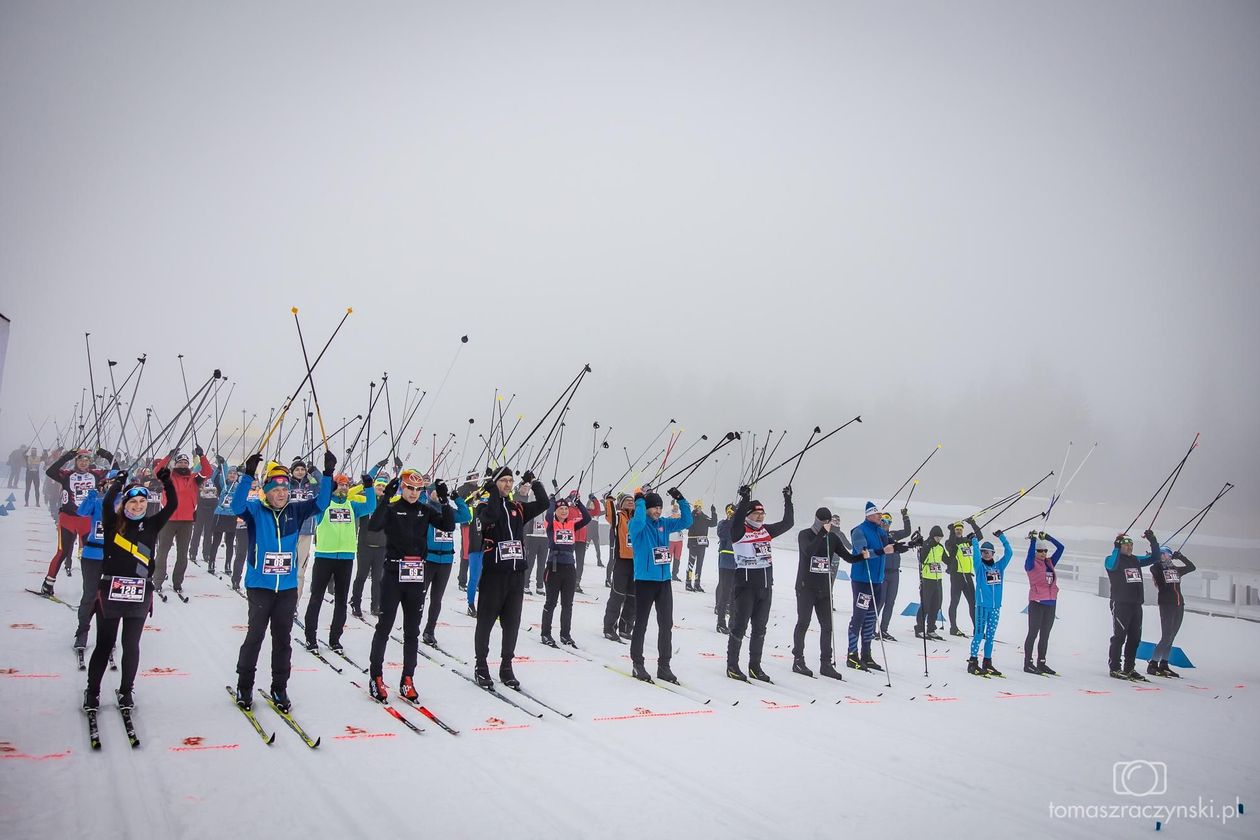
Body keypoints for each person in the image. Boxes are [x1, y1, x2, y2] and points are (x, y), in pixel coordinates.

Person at [231, 451, 334, 712]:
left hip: (286, 588)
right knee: (255, 636)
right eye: (276, 489)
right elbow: (235, 507)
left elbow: (321, 504)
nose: (281, 493)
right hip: (260, 586)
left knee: (283, 640)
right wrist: (247, 476)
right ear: (266, 491)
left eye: (285, 489)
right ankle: (245, 685)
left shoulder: (295, 512)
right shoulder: (256, 510)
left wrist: (328, 475)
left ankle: (280, 687)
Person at [83, 466, 178, 712]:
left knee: (131, 644)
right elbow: (106, 504)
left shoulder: (153, 524)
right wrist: (118, 482)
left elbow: (173, 505)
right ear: (124, 503)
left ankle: (126, 691)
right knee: (105, 644)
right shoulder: (113, 522)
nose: (137, 506)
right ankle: (92, 691)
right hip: (110, 592)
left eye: (142, 502)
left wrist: (166, 481)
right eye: (133, 502)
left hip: (139, 593)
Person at [365, 470, 455, 702]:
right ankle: (375, 676)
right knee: (384, 626)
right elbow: (373, 526)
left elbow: (448, 526)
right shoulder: (393, 508)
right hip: (394, 574)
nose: (414, 493)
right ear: (402, 488)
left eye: (418, 490)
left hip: (416, 577)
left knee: (412, 631)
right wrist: (386, 497)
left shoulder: (425, 511)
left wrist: (444, 501)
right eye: (409, 488)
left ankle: (408, 678)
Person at [474, 467, 548, 689]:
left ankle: (506, 665)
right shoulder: (484, 506)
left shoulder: (518, 507)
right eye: (503, 481)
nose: (507, 484)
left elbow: (544, 504)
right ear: (495, 483)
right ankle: (481, 665)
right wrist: (493, 493)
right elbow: (492, 516)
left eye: (510, 481)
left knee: (512, 623)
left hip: (515, 574)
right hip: (494, 574)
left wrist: (533, 482)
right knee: (486, 622)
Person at [726, 485, 793, 682]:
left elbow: (788, 523)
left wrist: (787, 499)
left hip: (765, 588)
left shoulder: (766, 531)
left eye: (762, 514)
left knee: (760, 629)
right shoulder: (739, 531)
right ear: (748, 515)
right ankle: (732, 665)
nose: (760, 517)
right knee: (740, 627)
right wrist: (745, 498)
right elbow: (737, 519)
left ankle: (755, 666)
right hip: (745, 588)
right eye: (756, 514)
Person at [304, 471, 377, 652]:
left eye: (346, 484)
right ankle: (310, 638)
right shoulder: (324, 504)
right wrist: (328, 485)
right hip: (324, 556)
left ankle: (335, 639)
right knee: (316, 598)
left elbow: (370, 506)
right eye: (340, 484)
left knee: (341, 600)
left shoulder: (352, 505)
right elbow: (320, 499)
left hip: (345, 557)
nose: (344, 487)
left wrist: (368, 487)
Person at [793, 506, 867, 679]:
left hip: (824, 589)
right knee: (803, 622)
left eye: (828, 522)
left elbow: (847, 557)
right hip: (806, 587)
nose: (826, 524)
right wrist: (821, 534)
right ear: (817, 520)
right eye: (823, 521)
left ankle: (825, 663)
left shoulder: (832, 538)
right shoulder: (805, 535)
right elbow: (809, 551)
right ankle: (798, 659)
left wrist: (862, 556)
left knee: (827, 627)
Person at [628, 487, 692, 683]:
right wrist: (639, 500)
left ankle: (664, 665)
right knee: (641, 624)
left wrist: (681, 499)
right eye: (653, 508)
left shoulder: (664, 523)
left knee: (666, 625)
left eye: (659, 507)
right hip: (645, 581)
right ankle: (637, 663)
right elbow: (638, 522)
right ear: (646, 508)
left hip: (664, 582)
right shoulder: (637, 525)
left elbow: (687, 521)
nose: (657, 511)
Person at [848, 502, 914, 671]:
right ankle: (852, 654)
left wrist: (911, 544)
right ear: (869, 515)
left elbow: (893, 546)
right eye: (877, 514)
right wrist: (882, 551)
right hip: (863, 580)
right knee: (859, 616)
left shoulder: (880, 531)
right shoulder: (859, 530)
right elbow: (864, 553)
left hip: (877, 580)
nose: (880, 517)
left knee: (871, 616)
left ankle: (866, 654)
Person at [42, 447, 113, 594]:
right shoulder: (67, 475)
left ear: (90, 462)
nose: (83, 463)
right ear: (76, 461)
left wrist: (107, 455)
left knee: (91, 553)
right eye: (80, 460)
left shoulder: (96, 475)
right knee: (63, 552)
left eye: (86, 460)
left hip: (87, 521)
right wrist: (67, 456)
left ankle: (94, 586)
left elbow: (116, 471)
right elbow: (50, 471)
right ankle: (48, 584)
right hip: (68, 519)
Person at [151, 448, 214, 596]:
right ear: (175, 464)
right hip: (168, 520)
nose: (183, 465)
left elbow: (208, 471)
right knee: (162, 552)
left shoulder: (194, 478)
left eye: (186, 462)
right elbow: (157, 470)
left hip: (186, 521)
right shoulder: (168, 476)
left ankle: (177, 582)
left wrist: (202, 456)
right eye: (180, 462)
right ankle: (157, 580)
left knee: (182, 553)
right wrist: (169, 455)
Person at [422, 480, 472, 646]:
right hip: (429, 559)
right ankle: (412, 627)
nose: (438, 494)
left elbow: (466, 516)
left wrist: (457, 498)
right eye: (435, 492)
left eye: (440, 492)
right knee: (419, 596)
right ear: (429, 493)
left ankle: (430, 630)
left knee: (437, 599)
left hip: (446, 560)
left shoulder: (448, 510)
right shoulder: (426, 509)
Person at [1105, 530, 1160, 681]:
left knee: (1135, 638)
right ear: (1119, 546)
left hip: (1136, 604)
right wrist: (1116, 547)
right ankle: (1115, 667)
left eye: (1131, 544)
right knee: (1119, 636)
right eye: (1126, 545)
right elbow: (1111, 565)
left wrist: (1152, 540)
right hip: (1120, 603)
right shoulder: (1111, 559)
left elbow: (1155, 557)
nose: (1129, 547)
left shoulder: (1135, 560)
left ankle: (1129, 668)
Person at [540, 495, 593, 648]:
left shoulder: (571, 524)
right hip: (554, 567)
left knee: (567, 605)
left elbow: (587, 518)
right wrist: (551, 502)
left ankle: (565, 634)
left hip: (569, 568)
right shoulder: (551, 524)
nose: (564, 511)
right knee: (551, 603)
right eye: (561, 509)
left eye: (566, 509)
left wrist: (579, 503)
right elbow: (549, 515)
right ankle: (545, 633)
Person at [73, 480, 113, 652]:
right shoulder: (98, 502)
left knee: (110, 598)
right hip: (92, 555)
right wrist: (91, 494)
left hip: (114, 558)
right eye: (110, 483)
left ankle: (107, 635)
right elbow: (81, 512)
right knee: (89, 594)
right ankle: (82, 631)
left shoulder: (125, 504)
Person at [966, 531, 1012, 676]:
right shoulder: (979, 567)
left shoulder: (999, 567)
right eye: (983, 552)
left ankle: (987, 662)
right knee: (979, 634)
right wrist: (974, 540)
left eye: (988, 552)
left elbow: (1009, 553)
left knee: (991, 636)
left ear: (993, 553)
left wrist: (1002, 537)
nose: (986, 554)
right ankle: (973, 662)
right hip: (981, 606)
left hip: (995, 607)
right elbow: (975, 556)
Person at [1149, 544, 1196, 677]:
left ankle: (1164, 663)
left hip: (1179, 604)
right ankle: (1153, 663)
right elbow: (1153, 568)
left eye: (1169, 555)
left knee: (1172, 636)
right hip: (1167, 605)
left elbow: (1192, 567)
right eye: (1164, 554)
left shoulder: (1175, 570)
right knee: (1166, 636)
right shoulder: (1158, 569)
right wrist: (1156, 558)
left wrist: (1180, 557)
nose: (1167, 557)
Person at [1023, 531, 1065, 674]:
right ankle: (1027, 663)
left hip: (1051, 603)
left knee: (1045, 635)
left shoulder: (1050, 562)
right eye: (1040, 551)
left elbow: (1061, 548)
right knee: (1033, 633)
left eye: (1045, 551)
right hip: (1037, 603)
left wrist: (1048, 537)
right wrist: (1033, 541)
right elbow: (1029, 555)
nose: (1043, 553)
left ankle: (1041, 662)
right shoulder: (1031, 564)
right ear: (1035, 552)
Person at [351, 472, 390, 618]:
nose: (380, 487)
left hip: (381, 546)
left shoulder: (388, 503)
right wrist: (364, 484)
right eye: (378, 485)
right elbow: (349, 495)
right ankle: (356, 603)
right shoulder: (365, 501)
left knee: (378, 578)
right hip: (365, 545)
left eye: (383, 486)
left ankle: (376, 605)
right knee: (361, 576)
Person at [601, 492, 638, 642]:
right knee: (617, 595)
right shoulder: (618, 517)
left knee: (633, 597)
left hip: (636, 562)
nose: (630, 502)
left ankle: (625, 627)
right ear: (621, 504)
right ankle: (609, 627)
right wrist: (609, 499)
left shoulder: (638, 519)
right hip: (621, 561)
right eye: (626, 500)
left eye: (632, 500)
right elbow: (609, 514)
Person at [877, 508, 913, 641]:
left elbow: (907, 532)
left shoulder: (893, 534)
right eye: (883, 520)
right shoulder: (877, 533)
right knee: (880, 602)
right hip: (882, 572)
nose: (885, 523)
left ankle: (883, 630)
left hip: (894, 573)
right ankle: (870, 628)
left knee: (890, 603)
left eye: (888, 521)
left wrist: (905, 516)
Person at [289, 459, 322, 600]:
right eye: (297, 470)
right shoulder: (287, 485)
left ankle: (294, 603)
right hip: (289, 531)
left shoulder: (311, 486)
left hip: (306, 531)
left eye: (303, 469)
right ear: (292, 471)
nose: (300, 472)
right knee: (286, 567)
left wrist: (316, 472)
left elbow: (324, 487)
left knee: (300, 571)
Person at [944, 518, 982, 637]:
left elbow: (979, 536)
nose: (959, 531)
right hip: (957, 576)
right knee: (955, 602)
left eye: (960, 529)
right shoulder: (950, 542)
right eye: (957, 530)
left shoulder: (966, 541)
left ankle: (977, 629)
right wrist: (951, 531)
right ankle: (953, 628)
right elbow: (952, 544)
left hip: (967, 575)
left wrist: (973, 523)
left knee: (973, 603)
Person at [207, 461, 241, 577]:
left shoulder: (238, 486)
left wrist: (244, 472)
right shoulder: (223, 484)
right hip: (220, 515)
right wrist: (219, 468)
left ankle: (228, 564)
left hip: (232, 516)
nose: (232, 475)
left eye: (234, 474)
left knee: (230, 542)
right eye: (230, 473)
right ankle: (211, 562)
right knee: (216, 540)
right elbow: (214, 479)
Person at [915, 525, 948, 641]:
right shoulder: (926, 545)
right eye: (937, 537)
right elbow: (922, 559)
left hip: (938, 579)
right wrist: (925, 546)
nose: (939, 540)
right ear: (932, 536)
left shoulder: (940, 547)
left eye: (940, 538)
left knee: (936, 604)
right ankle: (919, 628)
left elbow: (947, 560)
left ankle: (931, 628)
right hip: (927, 578)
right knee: (926, 604)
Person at [190, 465, 221, 571]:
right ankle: (193, 552)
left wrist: (221, 465)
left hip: (212, 507)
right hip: (201, 506)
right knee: (197, 531)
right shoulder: (200, 478)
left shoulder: (216, 480)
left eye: (212, 471)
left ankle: (206, 553)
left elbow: (224, 476)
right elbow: (195, 470)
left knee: (209, 532)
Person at [521, 478, 548, 595]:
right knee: (530, 561)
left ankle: (540, 585)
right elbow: (531, 499)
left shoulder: (546, 501)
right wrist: (533, 484)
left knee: (542, 563)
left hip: (544, 536)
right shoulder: (532, 497)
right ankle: (525, 584)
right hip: (533, 536)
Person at [685, 500, 717, 592]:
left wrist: (713, 513)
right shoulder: (692, 517)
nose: (696, 509)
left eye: (698, 507)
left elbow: (713, 523)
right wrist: (692, 514)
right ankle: (688, 583)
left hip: (702, 545)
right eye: (695, 507)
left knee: (700, 565)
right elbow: (687, 525)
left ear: (701, 508)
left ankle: (697, 583)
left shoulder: (704, 517)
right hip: (693, 544)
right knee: (691, 564)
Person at [714, 503, 736, 633]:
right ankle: (721, 622)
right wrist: (729, 519)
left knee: (735, 594)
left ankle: (733, 623)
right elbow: (723, 533)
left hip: (738, 563)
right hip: (726, 561)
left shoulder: (739, 524)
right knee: (725, 590)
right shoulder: (724, 524)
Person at [668, 501, 685, 581]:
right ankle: (666, 573)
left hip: (679, 540)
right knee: (668, 558)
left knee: (677, 558)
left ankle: (675, 574)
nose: (675, 508)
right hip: (670, 540)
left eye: (677, 507)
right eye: (674, 507)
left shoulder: (680, 514)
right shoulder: (668, 513)